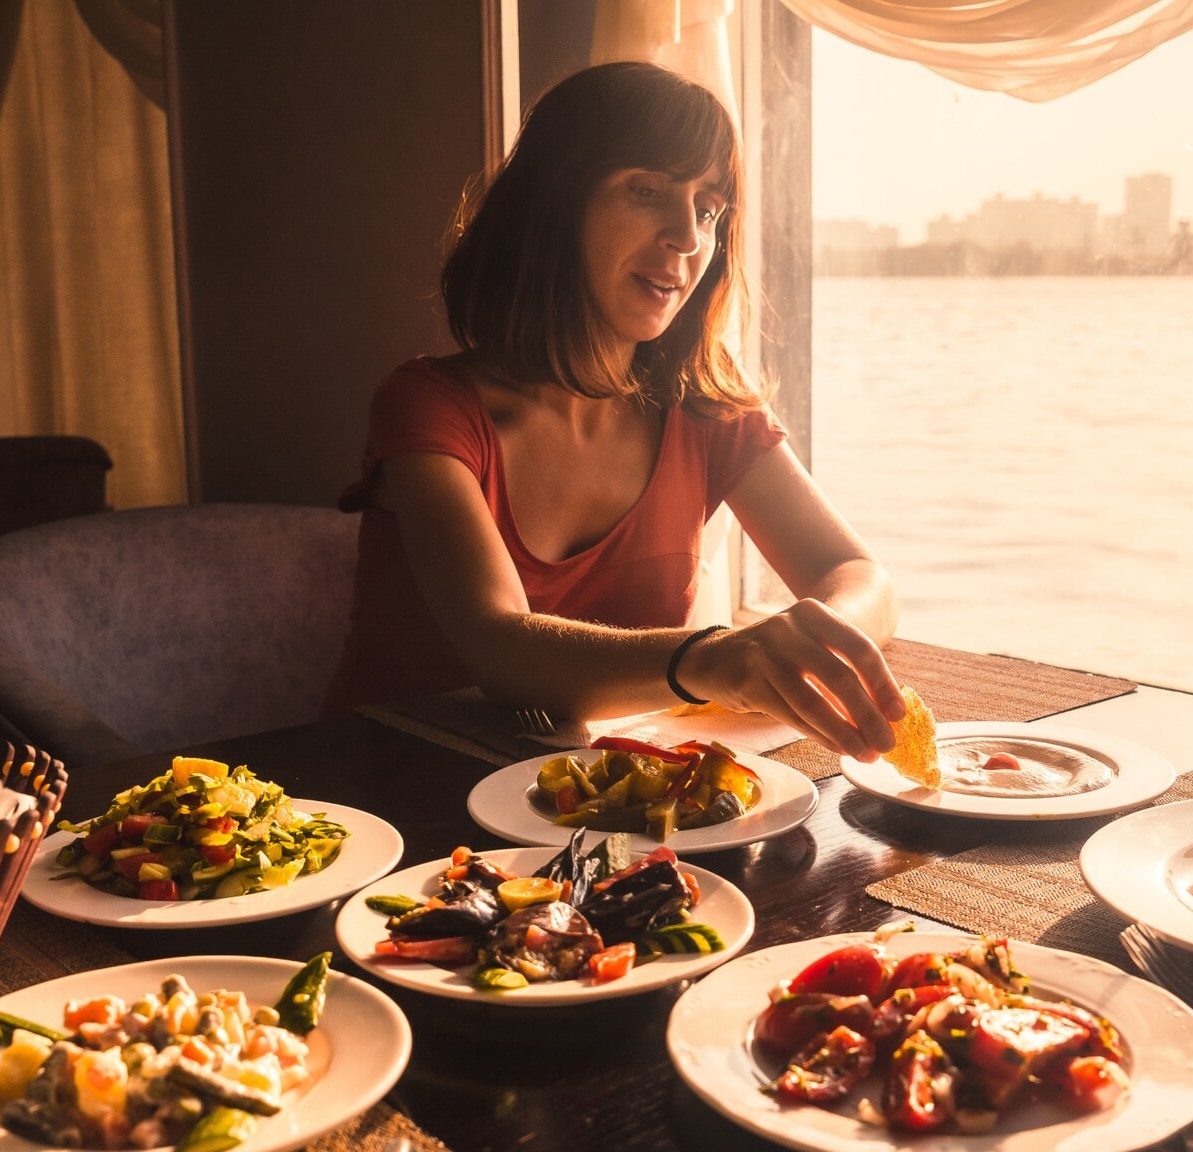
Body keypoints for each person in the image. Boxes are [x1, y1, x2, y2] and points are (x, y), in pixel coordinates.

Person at [323, 61, 904, 761]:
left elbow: (861, 576)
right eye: (648, 191)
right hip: (389, 796)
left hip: (584, 805)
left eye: (709, 207)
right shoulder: (427, 408)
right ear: (555, 203)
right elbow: (498, 643)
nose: (688, 237)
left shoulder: (704, 406)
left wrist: (815, 634)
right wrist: (714, 659)